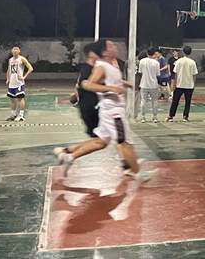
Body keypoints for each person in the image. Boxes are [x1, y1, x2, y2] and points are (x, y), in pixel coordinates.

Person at [54, 39, 148, 180]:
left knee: (101, 142)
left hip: (108, 110)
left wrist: (124, 84)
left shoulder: (111, 65)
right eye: (111, 46)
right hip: (111, 112)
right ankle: (136, 172)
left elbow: (108, 81)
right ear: (104, 52)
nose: (114, 47)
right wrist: (111, 88)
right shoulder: (100, 66)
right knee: (124, 142)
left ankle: (69, 156)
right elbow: (87, 84)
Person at [73, 43, 100, 136]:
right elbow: (83, 85)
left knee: (101, 140)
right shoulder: (87, 69)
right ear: (91, 54)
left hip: (94, 107)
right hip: (90, 108)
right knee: (100, 140)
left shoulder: (93, 68)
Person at [167, 46, 198, 122]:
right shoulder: (192, 62)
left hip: (179, 84)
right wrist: (193, 84)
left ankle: (171, 116)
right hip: (189, 85)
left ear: (183, 52)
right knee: (188, 102)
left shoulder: (179, 61)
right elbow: (194, 75)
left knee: (175, 101)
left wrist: (174, 84)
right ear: (190, 52)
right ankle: (185, 117)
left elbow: (175, 73)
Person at [5, 46, 34, 122]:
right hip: (12, 83)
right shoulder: (10, 60)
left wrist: (24, 77)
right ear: (12, 51)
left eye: (16, 49)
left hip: (19, 83)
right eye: (14, 49)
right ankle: (13, 114)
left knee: (20, 98)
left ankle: (21, 115)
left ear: (19, 51)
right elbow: (9, 69)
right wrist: (8, 78)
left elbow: (30, 68)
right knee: (12, 99)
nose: (15, 51)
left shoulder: (21, 59)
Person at [138, 48, 161, 123]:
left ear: (147, 53)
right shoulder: (156, 63)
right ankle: (155, 117)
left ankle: (143, 117)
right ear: (154, 53)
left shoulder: (142, 61)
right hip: (154, 84)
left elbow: (140, 72)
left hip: (144, 84)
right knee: (155, 101)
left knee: (143, 101)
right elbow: (158, 74)